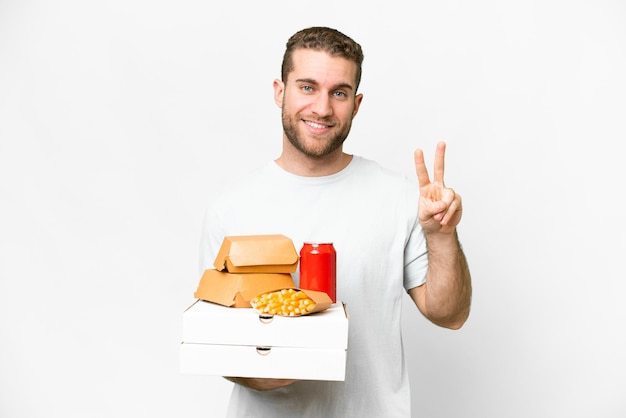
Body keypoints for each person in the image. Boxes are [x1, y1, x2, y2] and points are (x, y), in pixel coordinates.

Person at [199, 26, 472, 418]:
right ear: (280, 91)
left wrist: (442, 235)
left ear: (356, 104)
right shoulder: (231, 209)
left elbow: (451, 315)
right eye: (307, 87)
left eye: (339, 93)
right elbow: (215, 341)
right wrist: (281, 364)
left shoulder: (397, 198)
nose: (323, 108)